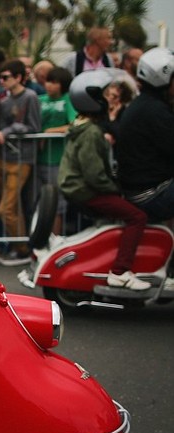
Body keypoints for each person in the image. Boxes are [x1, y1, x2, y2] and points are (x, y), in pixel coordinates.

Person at [59, 70, 150, 291]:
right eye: (103, 96)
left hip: (78, 188)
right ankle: (119, 271)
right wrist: (115, 190)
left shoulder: (82, 126)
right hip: (86, 190)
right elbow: (94, 174)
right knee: (137, 216)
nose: (106, 100)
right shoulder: (91, 132)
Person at [117, 48, 174, 225]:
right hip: (150, 197)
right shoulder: (156, 112)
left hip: (142, 191)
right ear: (165, 79)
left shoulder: (145, 105)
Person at [0, 59, 42, 266]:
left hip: (23, 158)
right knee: (13, 208)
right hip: (5, 158)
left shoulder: (30, 97)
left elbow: (33, 127)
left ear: (19, 77)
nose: (2, 81)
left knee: (6, 208)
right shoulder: (4, 102)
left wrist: (9, 130)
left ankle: (22, 248)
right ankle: (19, 246)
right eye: (1, 77)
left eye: (6, 77)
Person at [36, 67, 77, 234]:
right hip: (38, 158)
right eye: (47, 81)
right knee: (40, 202)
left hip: (57, 159)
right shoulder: (39, 99)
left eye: (54, 82)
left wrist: (50, 132)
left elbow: (74, 124)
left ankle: (55, 237)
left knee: (56, 203)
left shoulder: (68, 100)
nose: (49, 85)